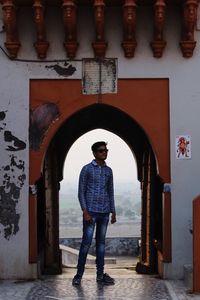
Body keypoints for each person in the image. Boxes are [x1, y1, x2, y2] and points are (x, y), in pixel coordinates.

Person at [72, 141, 116, 286]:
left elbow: (110, 192)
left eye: (106, 150)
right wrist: (85, 211)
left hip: (104, 213)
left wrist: (113, 211)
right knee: (86, 244)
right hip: (90, 212)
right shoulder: (87, 169)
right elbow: (81, 192)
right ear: (95, 153)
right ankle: (78, 275)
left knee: (101, 245)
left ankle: (100, 275)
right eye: (101, 151)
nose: (105, 152)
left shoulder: (109, 171)